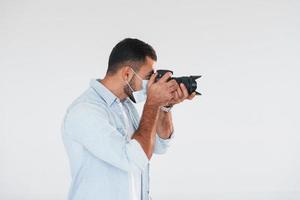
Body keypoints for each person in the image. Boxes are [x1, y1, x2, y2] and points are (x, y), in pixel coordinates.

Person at [61, 38, 196, 200]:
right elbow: (134, 159)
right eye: (148, 76)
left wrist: (164, 106)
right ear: (127, 74)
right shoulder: (85, 111)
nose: (151, 83)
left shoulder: (124, 105)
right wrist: (152, 103)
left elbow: (159, 146)